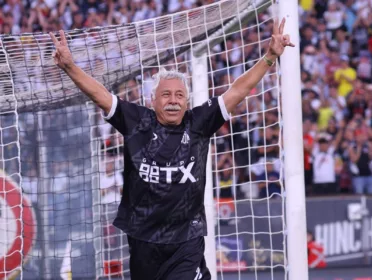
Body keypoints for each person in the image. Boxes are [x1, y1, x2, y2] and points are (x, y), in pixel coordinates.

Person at [49, 18, 294, 280]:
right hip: (143, 239)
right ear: (152, 100)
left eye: (179, 95)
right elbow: (100, 95)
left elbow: (237, 91)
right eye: (166, 95)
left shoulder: (198, 122)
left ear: (187, 101)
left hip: (186, 240)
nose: (173, 100)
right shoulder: (136, 122)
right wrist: (70, 67)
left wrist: (269, 56)